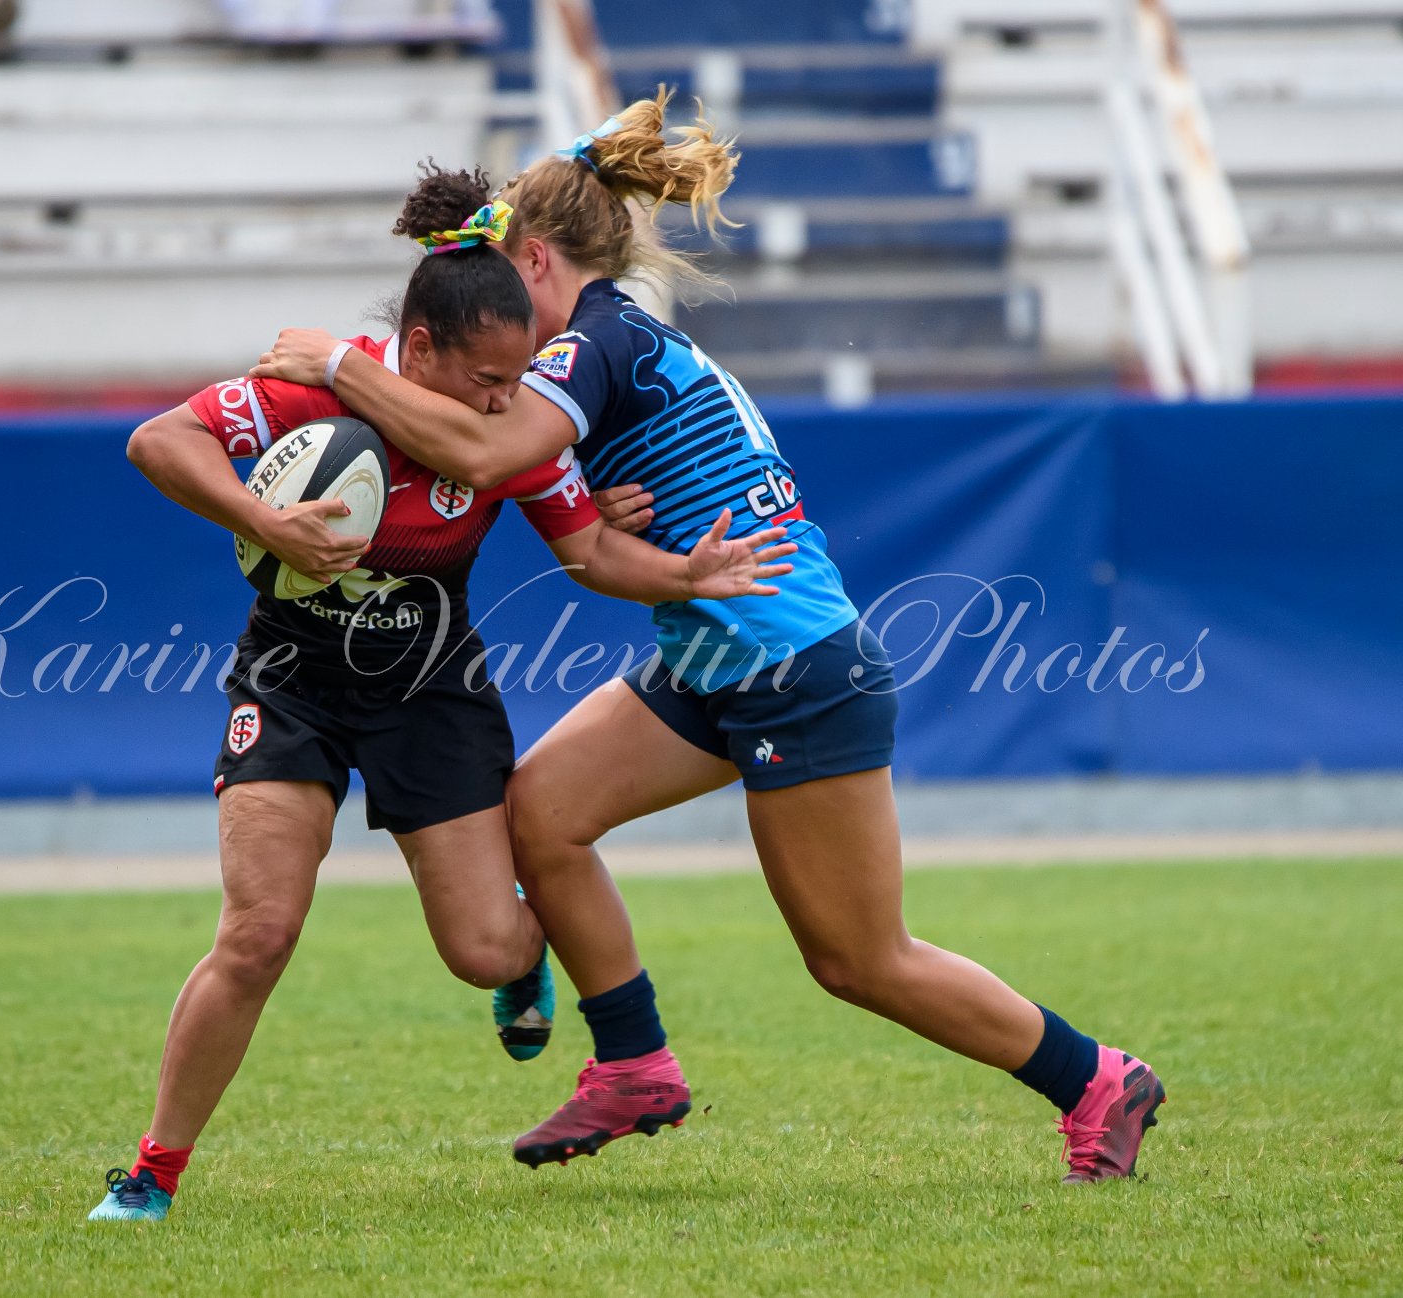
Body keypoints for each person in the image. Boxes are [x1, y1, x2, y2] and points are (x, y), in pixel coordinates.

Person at [249, 91, 1167, 1184]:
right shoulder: (617, 345)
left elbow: (493, 458)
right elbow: (554, 496)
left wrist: (342, 369)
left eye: (506, 278)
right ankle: (633, 1064)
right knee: (540, 812)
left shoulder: (594, 342)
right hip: (715, 655)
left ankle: (1093, 1075)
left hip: (791, 664)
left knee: (855, 957)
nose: (500, 306)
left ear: (536, 261)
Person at [86, 165, 797, 1223]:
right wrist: (263, 516)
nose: (509, 404)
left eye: (521, 381)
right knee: (258, 930)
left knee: (484, 950)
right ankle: (151, 1173)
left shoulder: (501, 442)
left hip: (431, 688)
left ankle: (526, 963)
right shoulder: (319, 392)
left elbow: (591, 549)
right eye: (487, 380)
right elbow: (159, 441)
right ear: (417, 351)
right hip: (289, 678)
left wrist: (686, 572)